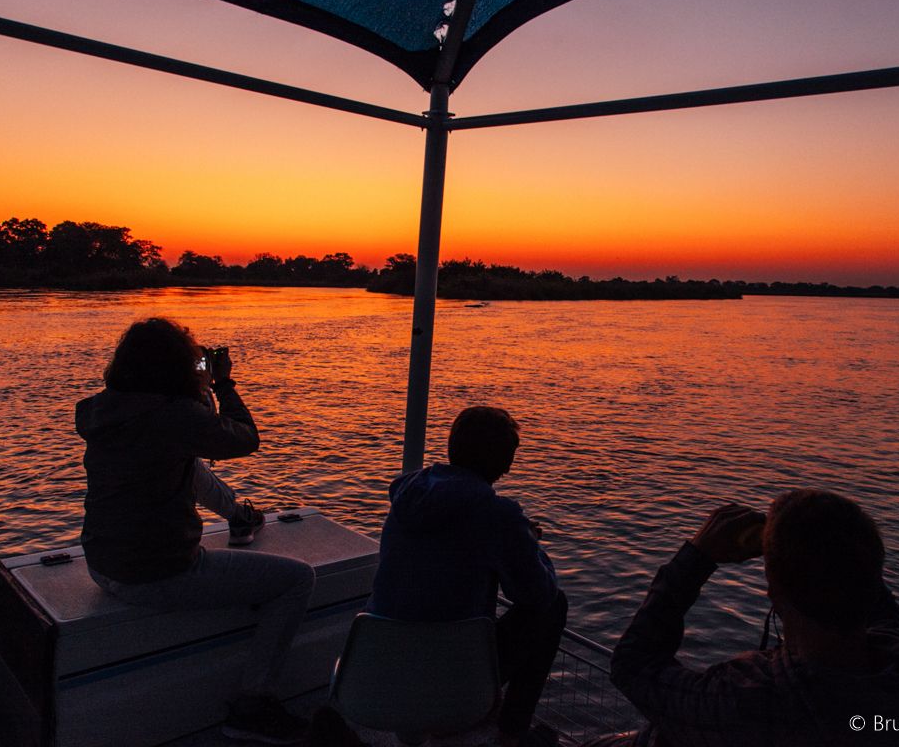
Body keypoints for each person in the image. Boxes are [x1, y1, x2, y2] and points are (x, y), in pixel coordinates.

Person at [78, 317, 315, 745]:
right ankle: (253, 705)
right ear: (175, 368)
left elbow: (186, 446)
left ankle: (238, 515)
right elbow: (243, 439)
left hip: (101, 563)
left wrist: (198, 391)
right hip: (157, 572)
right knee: (298, 580)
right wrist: (222, 384)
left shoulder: (104, 409)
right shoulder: (173, 417)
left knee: (186, 461)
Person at [603, 490, 899, 747]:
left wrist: (697, 556)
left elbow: (633, 666)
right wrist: (811, 540)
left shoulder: (753, 702)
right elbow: (862, 579)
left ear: (774, 593)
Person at [368, 406, 568, 746]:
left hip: (379, 666)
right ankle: (511, 733)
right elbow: (536, 594)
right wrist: (529, 541)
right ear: (505, 463)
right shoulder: (496, 513)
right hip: (451, 674)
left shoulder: (406, 494)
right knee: (553, 605)